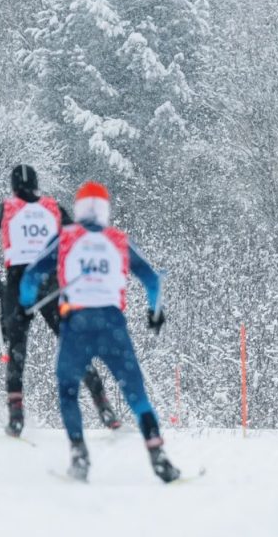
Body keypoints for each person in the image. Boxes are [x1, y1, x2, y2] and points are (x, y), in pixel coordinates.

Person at [20, 181, 179, 483]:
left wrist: (27, 304)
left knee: (68, 391)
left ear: (79, 208)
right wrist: (154, 313)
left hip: (76, 324)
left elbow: (31, 276)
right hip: (112, 325)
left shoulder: (66, 237)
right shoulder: (118, 240)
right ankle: (159, 457)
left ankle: (79, 456)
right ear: (105, 210)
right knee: (136, 395)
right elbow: (153, 280)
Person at [0, 164, 119, 437]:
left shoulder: (6, 208)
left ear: (13, 187)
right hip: (50, 282)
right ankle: (104, 406)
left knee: (17, 350)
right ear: (37, 184)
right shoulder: (53, 207)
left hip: (20, 283)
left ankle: (16, 415)